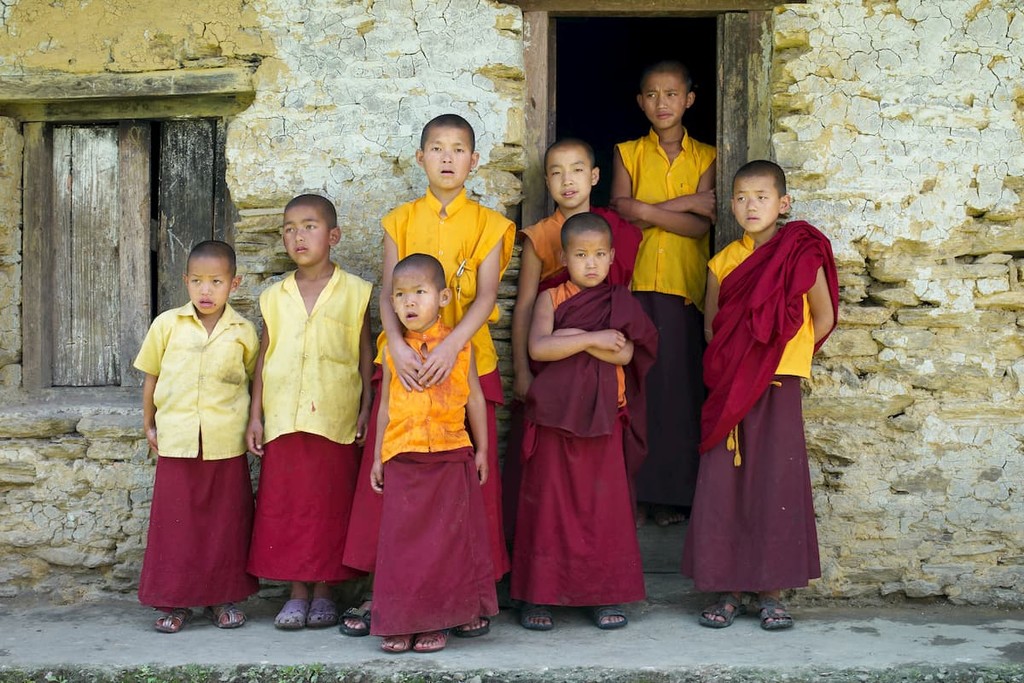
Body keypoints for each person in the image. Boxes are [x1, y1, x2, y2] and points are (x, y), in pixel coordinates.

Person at [340, 114, 515, 638]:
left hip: (464, 356)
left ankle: (469, 598)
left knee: (466, 485)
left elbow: (486, 296)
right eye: (436, 148)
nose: (446, 158)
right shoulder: (399, 220)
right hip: (403, 360)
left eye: (458, 149)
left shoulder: (491, 224)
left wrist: (452, 345)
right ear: (421, 158)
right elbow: (388, 286)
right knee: (393, 477)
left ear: (473, 161)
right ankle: (388, 597)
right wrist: (394, 342)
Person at [681, 160, 839, 630]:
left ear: (783, 204)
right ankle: (726, 589)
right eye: (743, 198)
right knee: (724, 484)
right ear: (731, 204)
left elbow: (824, 317)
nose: (752, 206)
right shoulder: (722, 262)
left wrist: (781, 355)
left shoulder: (799, 253)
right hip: (733, 386)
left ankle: (772, 593)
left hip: (779, 382)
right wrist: (740, 365)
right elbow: (713, 327)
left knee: (776, 484)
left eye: (763, 197)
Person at [512, 213, 657, 631]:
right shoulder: (550, 299)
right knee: (548, 508)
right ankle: (538, 597)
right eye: (580, 255)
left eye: (598, 255)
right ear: (563, 257)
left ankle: (603, 595)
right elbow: (539, 348)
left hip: (604, 418)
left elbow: (626, 354)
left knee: (602, 510)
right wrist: (592, 339)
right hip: (556, 419)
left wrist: (569, 341)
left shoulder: (620, 301)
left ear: (612, 256)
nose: (590, 263)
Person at [246, 194, 374, 630]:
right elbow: (265, 356)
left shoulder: (357, 292)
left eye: (309, 226)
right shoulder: (273, 296)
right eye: (289, 228)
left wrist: (366, 409)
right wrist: (255, 416)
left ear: (333, 235)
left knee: (328, 504)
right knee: (286, 506)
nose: (298, 236)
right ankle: (295, 592)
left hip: (335, 414)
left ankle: (324, 592)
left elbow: (366, 355)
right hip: (283, 413)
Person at [504, 138, 642, 539]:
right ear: (546, 182)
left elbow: (621, 307)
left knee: (603, 476)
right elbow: (526, 306)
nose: (568, 181)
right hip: (554, 371)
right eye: (557, 172)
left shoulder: (617, 234)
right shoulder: (539, 236)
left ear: (595, 177)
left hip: (605, 372)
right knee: (544, 476)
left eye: (577, 170)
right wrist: (521, 372)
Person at [369, 253, 498, 653]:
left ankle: (436, 621)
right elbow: (385, 405)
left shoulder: (460, 347)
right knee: (402, 547)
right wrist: (378, 457)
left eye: (419, 293)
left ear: (442, 297)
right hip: (403, 457)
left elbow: (475, 399)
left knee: (443, 545)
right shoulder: (393, 351)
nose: (409, 303)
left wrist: (483, 450)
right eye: (400, 295)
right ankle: (401, 622)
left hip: (448, 452)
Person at [134, 240, 260, 633]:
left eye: (217, 282)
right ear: (186, 281)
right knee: (176, 525)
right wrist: (149, 423)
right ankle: (175, 602)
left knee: (226, 522)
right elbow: (151, 376)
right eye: (198, 282)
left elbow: (254, 381)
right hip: (178, 439)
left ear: (234, 283)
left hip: (225, 440)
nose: (207, 291)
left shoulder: (243, 331)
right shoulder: (167, 325)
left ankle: (224, 599)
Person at [611, 60, 716, 527]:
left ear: (689, 99)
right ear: (640, 102)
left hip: (685, 289)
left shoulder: (709, 157)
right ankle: (634, 492)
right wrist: (686, 202)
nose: (662, 103)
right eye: (651, 94)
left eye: (672, 93)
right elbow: (619, 212)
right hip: (634, 286)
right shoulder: (627, 152)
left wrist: (645, 209)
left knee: (679, 393)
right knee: (638, 392)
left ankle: (675, 496)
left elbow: (699, 227)